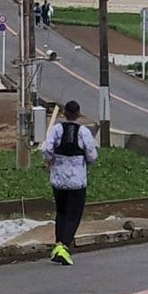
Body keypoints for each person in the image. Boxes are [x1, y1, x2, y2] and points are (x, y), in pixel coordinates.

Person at [40, 100, 97, 266]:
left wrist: (49, 161)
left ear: (64, 114)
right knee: (74, 214)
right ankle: (64, 246)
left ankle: (58, 244)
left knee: (61, 212)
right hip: (77, 181)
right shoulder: (83, 132)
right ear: (78, 114)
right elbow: (92, 155)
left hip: (58, 179)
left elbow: (47, 149)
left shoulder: (56, 130)